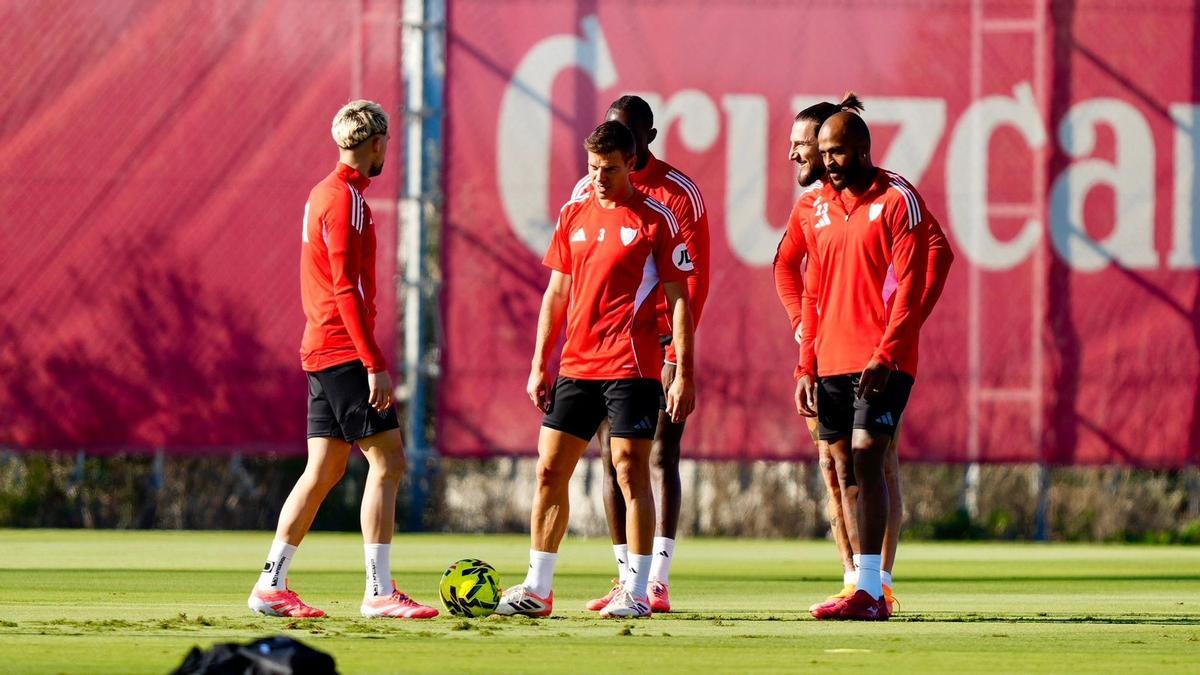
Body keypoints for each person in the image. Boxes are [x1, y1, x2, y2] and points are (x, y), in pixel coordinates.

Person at [495, 120, 697, 619]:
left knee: (630, 471)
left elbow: (679, 301)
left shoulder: (656, 219)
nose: (600, 178)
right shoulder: (574, 212)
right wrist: (539, 364)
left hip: (632, 366)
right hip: (576, 366)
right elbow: (556, 293)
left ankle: (637, 590)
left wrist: (683, 371)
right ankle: (538, 588)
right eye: (592, 168)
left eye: (609, 169)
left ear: (631, 164)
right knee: (549, 469)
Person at [247, 100, 438, 620]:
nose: (386, 151)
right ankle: (379, 591)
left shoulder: (322, 193)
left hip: (320, 347)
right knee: (388, 461)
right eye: (386, 143)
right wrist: (372, 361)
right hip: (342, 350)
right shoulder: (348, 200)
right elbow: (345, 288)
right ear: (376, 144)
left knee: (325, 468)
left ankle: (270, 584)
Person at [774, 95, 954, 614]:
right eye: (820, 152)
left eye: (832, 151)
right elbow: (808, 285)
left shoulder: (898, 199)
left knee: (870, 456)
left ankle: (875, 587)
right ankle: (858, 583)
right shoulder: (813, 208)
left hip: (882, 359)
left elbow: (917, 277)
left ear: (861, 149)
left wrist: (894, 344)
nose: (822, 161)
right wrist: (805, 359)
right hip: (828, 358)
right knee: (842, 467)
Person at [567, 96, 710, 614]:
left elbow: (692, 280)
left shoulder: (678, 193)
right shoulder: (589, 187)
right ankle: (626, 576)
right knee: (613, 460)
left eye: (627, 134)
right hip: (604, 349)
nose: (618, 144)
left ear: (646, 139)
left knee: (661, 454)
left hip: (657, 347)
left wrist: (676, 354)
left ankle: (657, 579)